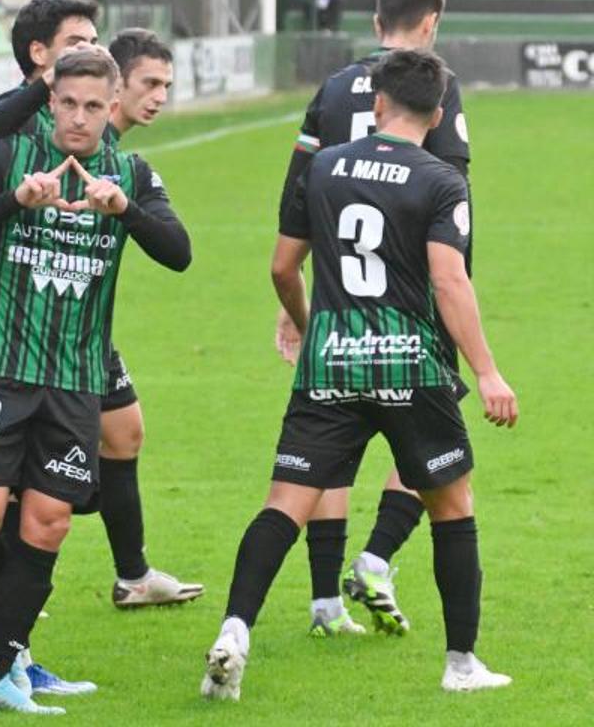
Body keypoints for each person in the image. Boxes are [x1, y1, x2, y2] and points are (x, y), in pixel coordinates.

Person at [201, 49, 516, 701]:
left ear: (377, 105)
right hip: (409, 363)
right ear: (435, 116)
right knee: (453, 508)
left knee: (283, 505)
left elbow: (283, 267)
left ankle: (234, 631)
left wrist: (309, 323)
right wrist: (487, 372)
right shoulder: (440, 180)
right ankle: (461, 665)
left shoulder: (321, 167)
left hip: (330, 361)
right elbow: (448, 280)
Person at [0, 48, 190, 712]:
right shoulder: (13, 156)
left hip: (76, 379)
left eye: (93, 106)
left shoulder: (130, 171)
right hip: (1, 365)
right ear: (51, 102)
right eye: (68, 103)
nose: (78, 117)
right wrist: (16, 199)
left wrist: (124, 208)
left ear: (112, 105)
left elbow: (179, 252)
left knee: (47, 526)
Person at [275, 0, 472, 638]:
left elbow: (299, 189)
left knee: (330, 440)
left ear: (375, 17)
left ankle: (325, 603)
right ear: (429, 24)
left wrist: (297, 291)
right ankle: (378, 556)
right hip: (411, 297)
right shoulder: (435, 85)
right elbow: (448, 190)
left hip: (333, 285)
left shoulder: (331, 89)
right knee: (435, 428)